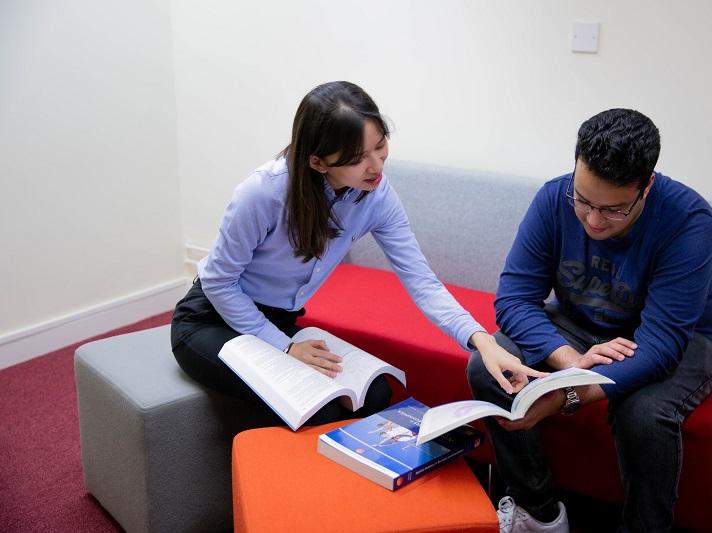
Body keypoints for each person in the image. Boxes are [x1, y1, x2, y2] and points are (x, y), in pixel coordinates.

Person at [171, 80, 541, 428]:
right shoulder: (263, 193)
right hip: (210, 322)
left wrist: (483, 342)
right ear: (318, 162)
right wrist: (284, 347)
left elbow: (422, 282)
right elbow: (219, 282)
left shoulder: (377, 196)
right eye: (357, 158)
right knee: (324, 409)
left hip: (279, 320)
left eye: (380, 145)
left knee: (377, 393)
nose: (377, 166)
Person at [466, 108, 712, 533]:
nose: (593, 220)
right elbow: (515, 299)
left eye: (614, 210)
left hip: (676, 337)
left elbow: (661, 346)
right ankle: (539, 511)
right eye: (584, 201)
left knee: (642, 413)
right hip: (579, 324)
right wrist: (572, 362)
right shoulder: (554, 198)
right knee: (489, 367)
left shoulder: (689, 222)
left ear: (647, 186)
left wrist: (569, 394)